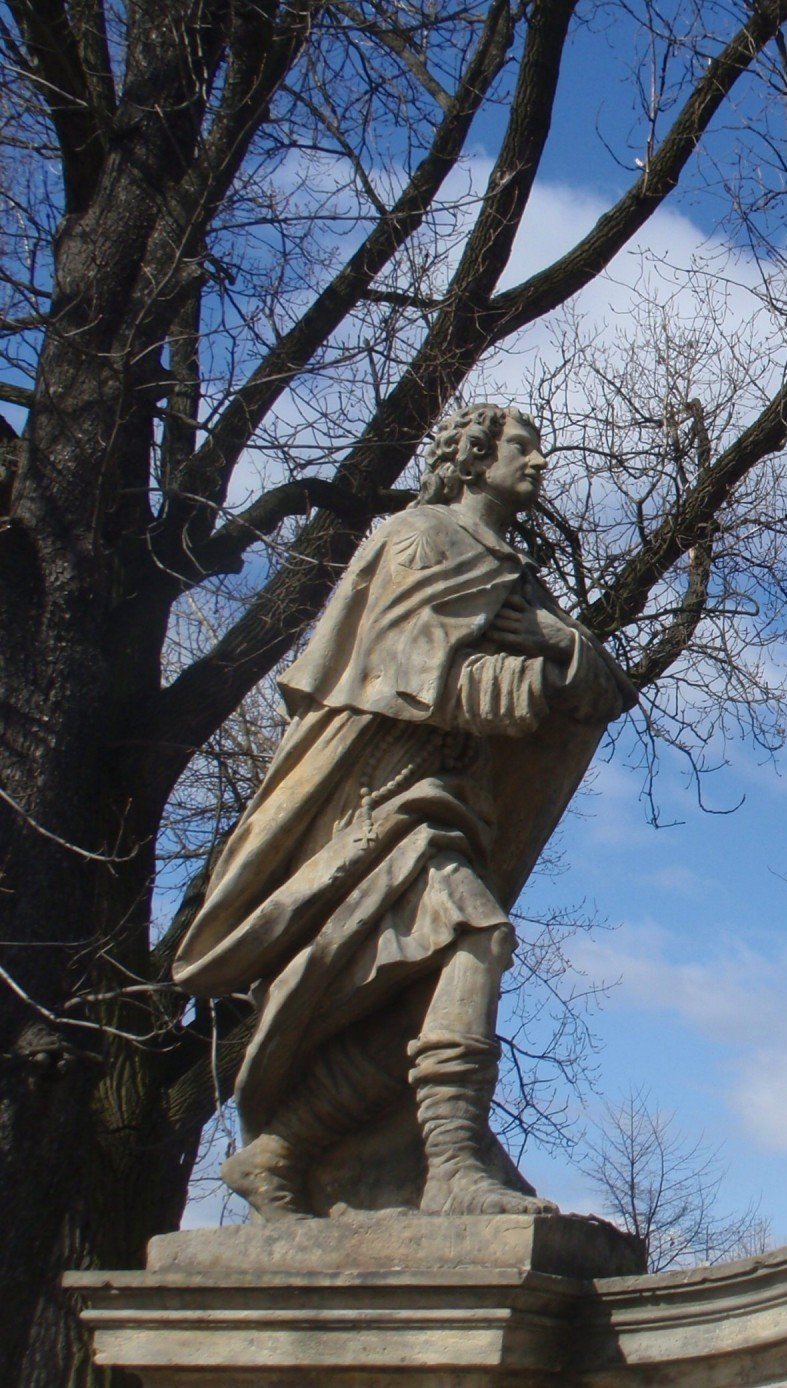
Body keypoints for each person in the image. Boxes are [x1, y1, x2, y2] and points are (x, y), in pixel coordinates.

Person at [175, 405, 636, 1218]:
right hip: (380, 794)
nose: (538, 462)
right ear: (471, 456)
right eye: (521, 448)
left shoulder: (515, 573)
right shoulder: (420, 538)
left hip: (456, 799)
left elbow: (595, 687)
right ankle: (453, 1164)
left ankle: (281, 1148)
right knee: (476, 935)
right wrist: (538, 668)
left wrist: (558, 646)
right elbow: (402, 676)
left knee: (416, 1002)